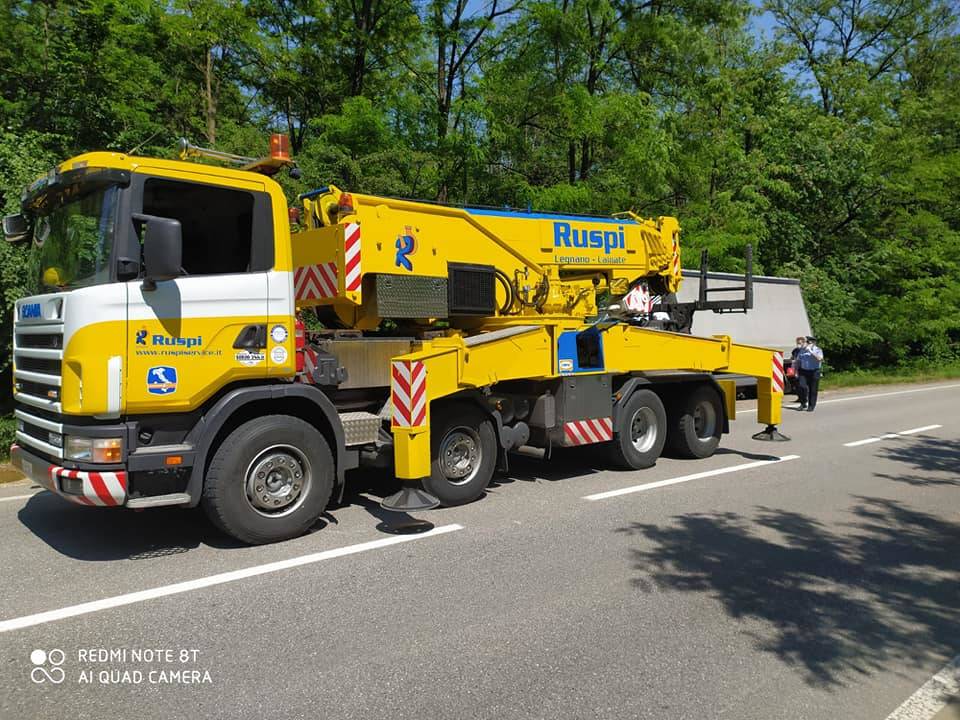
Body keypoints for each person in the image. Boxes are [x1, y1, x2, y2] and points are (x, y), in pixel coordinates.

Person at [796, 336, 824, 411]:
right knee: (802, 386)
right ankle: (803, 403)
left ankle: (811, 406)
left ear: (810, 343)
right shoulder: (801, 350)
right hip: (803, 371)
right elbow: (798, 361)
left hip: (814, 371)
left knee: (813, 389)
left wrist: (811, 352)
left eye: (804, 342)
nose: (802, 344)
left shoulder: (817, 350)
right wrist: (796, 371)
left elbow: (820, 358)